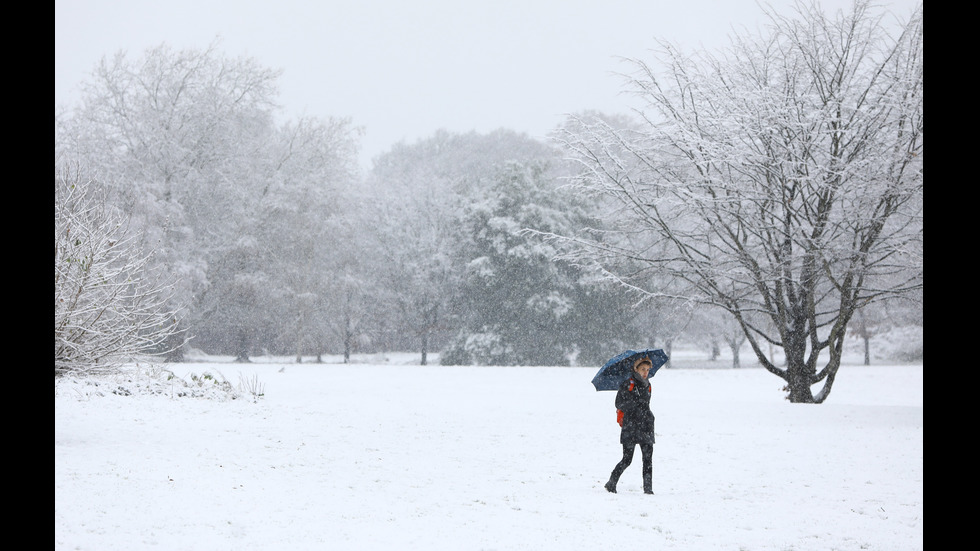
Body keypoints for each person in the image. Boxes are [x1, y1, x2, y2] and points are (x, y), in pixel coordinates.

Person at [604, 356, 656, 494]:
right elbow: (619, 403)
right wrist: (634, 404)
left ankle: (648, 489)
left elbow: (646, 404)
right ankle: (611, 482)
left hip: (646, 425)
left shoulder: (648, 385)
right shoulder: (628, 384)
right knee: (627, 459)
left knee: (648, 459)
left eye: (647, 369)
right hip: (631, 426)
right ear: (636, 369)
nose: (645, 372)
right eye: (643, 369)